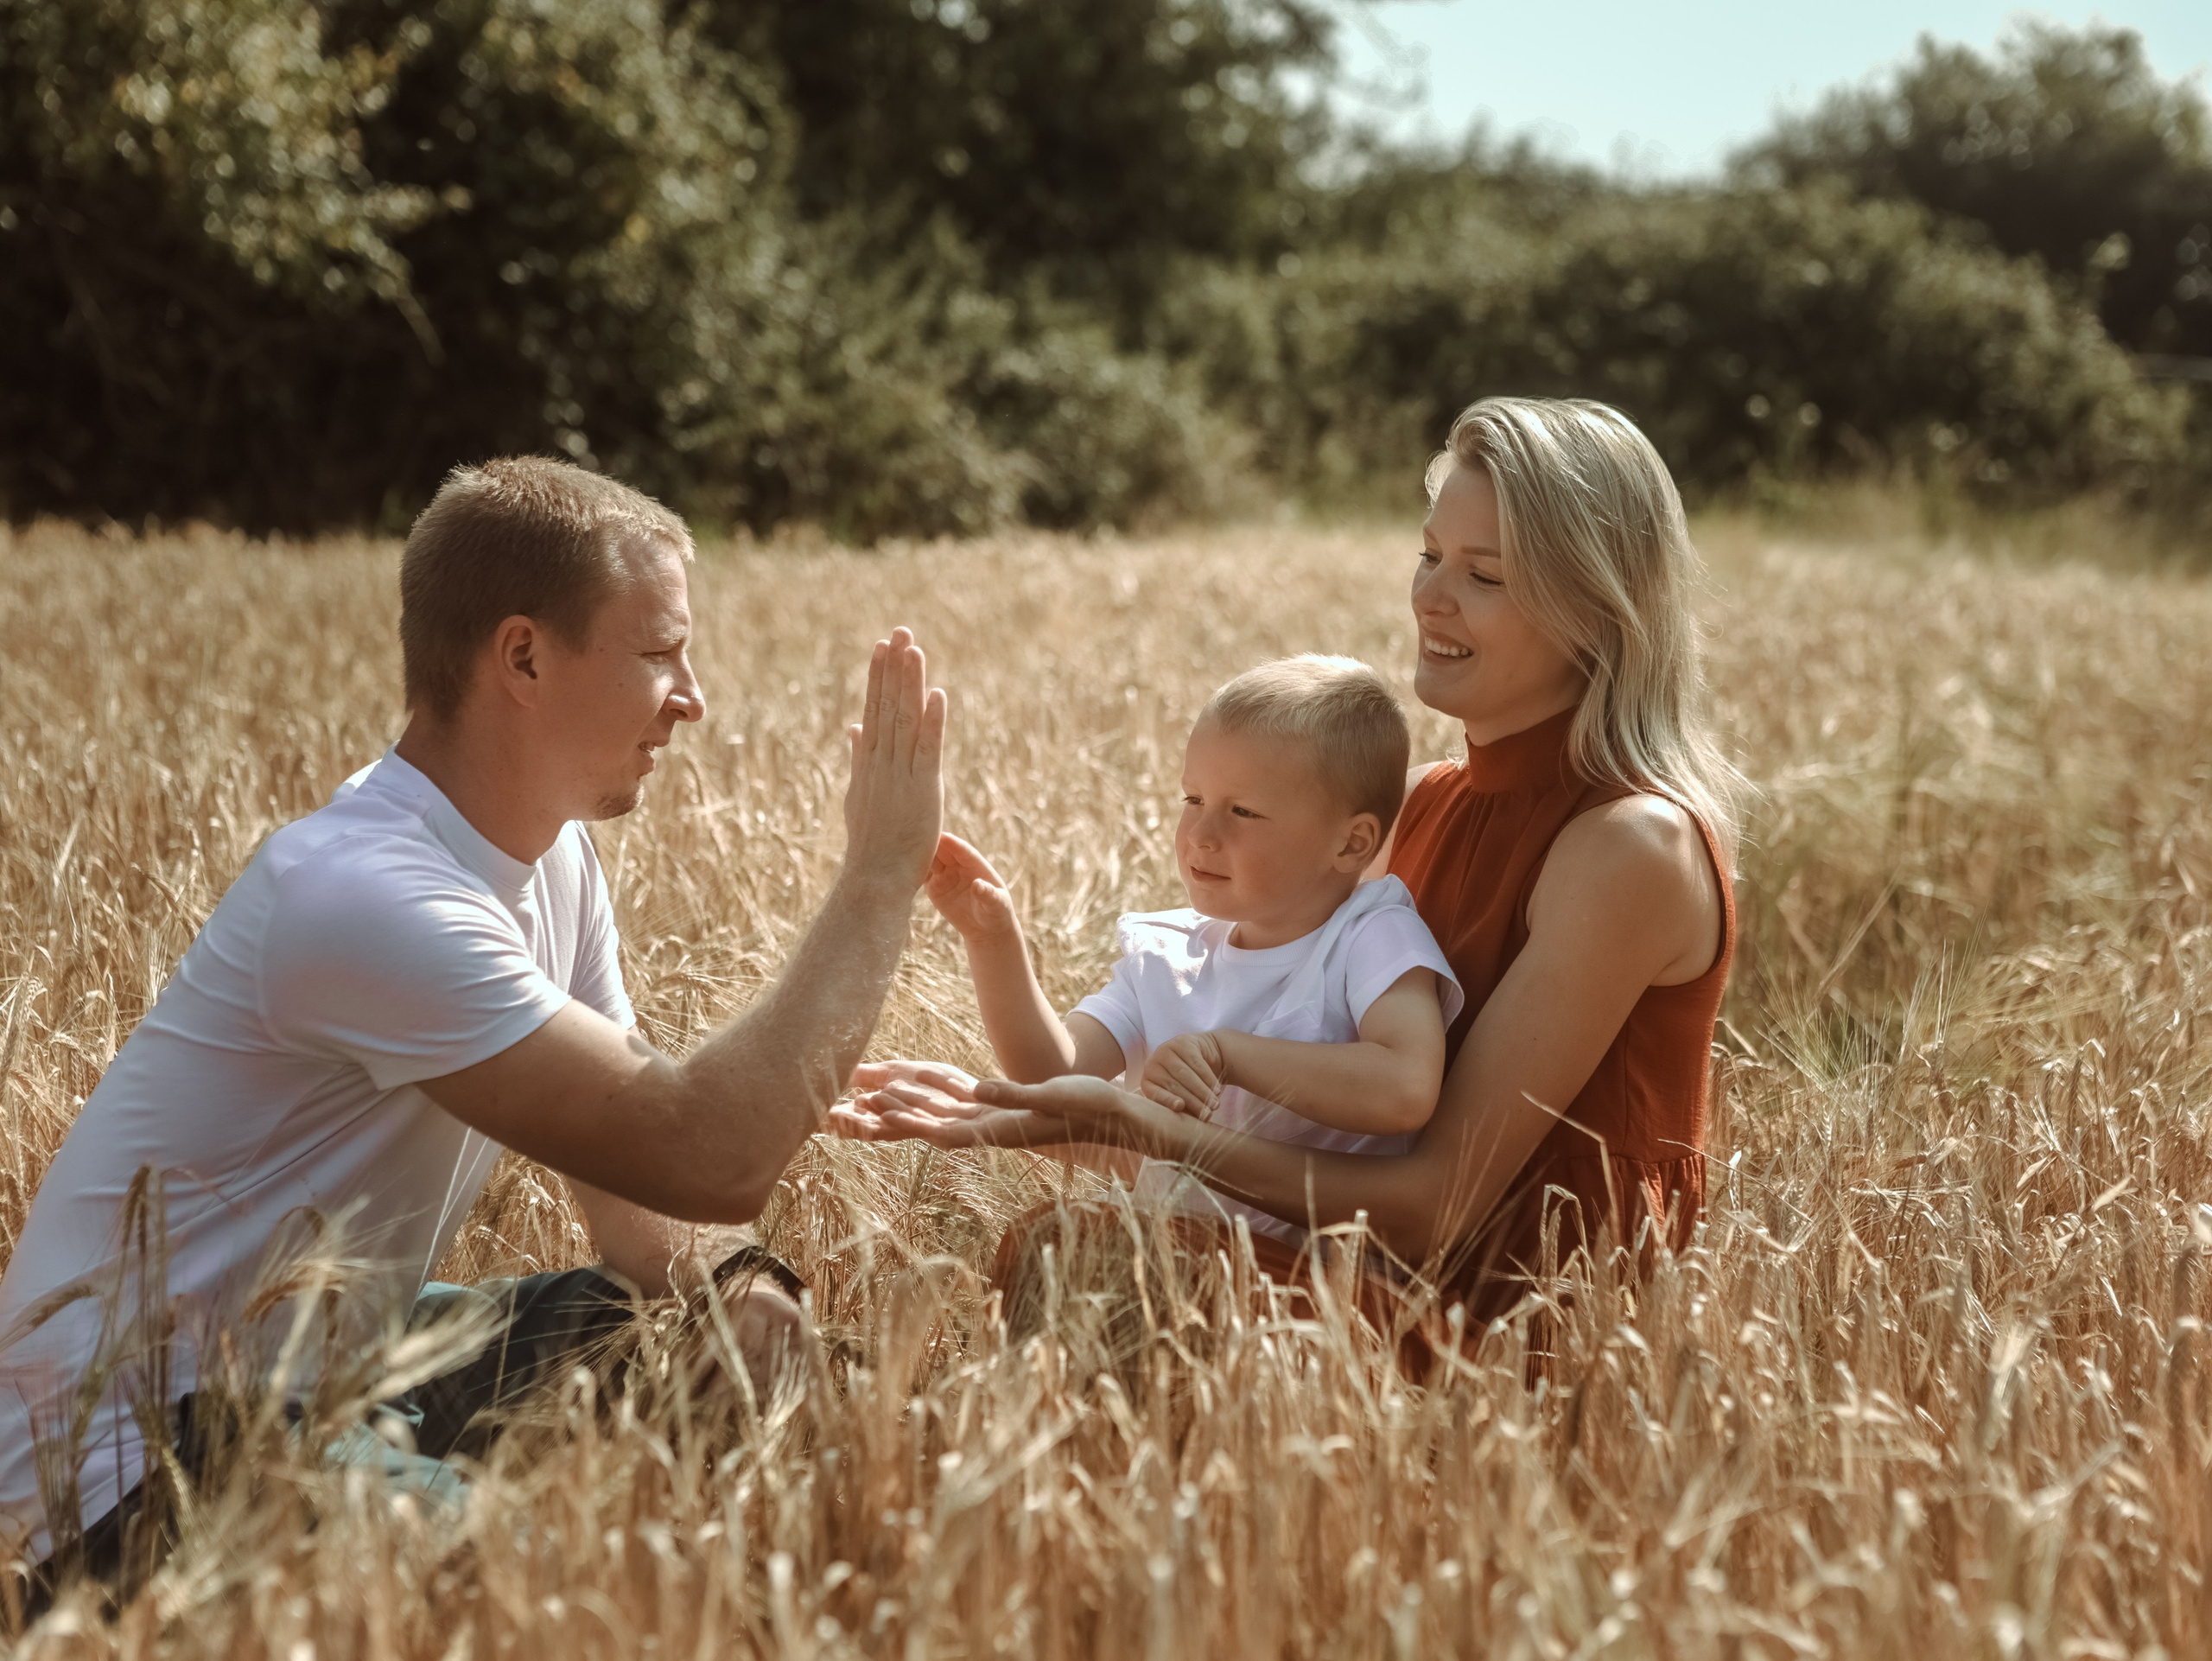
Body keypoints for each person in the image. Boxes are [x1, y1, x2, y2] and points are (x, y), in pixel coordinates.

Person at [0, 458, 947, 1588]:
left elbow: (646, 1219)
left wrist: (748, 1295)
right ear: (525, 656)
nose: (692, 696)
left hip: (335, 1364)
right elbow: (710, 1150)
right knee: (564, 1581)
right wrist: (883, 871)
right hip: (129, 1459)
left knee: (732, 1340)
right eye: (658, 652)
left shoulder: (554, 859)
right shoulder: (362, 894)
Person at [844, 395, 1738, 1353]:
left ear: (1596, 608)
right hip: (1356, 1275)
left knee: (1099, 1262)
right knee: (1081, 1255)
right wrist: (1018, 1111)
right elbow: (1301, 1144)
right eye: (1429, 555)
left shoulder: (1628, 844)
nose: (1431, 598)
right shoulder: (1423, 802)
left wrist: (1150, 1132)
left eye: (1484, 574)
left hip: (1513, 1335)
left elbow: (1435, 1205)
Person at [919, 655, 1462, 1251]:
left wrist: (1228, 1054)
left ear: (1352, 842)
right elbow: (1057, 1076)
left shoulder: (1370, 935)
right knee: (1054, 1244)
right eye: (1192, 799)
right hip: (1170, 1277)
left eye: (1243, 812)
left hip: (1312, 1301)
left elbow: (1406, 1087)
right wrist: (992, 942)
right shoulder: (1165, 955)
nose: (1201, 834)